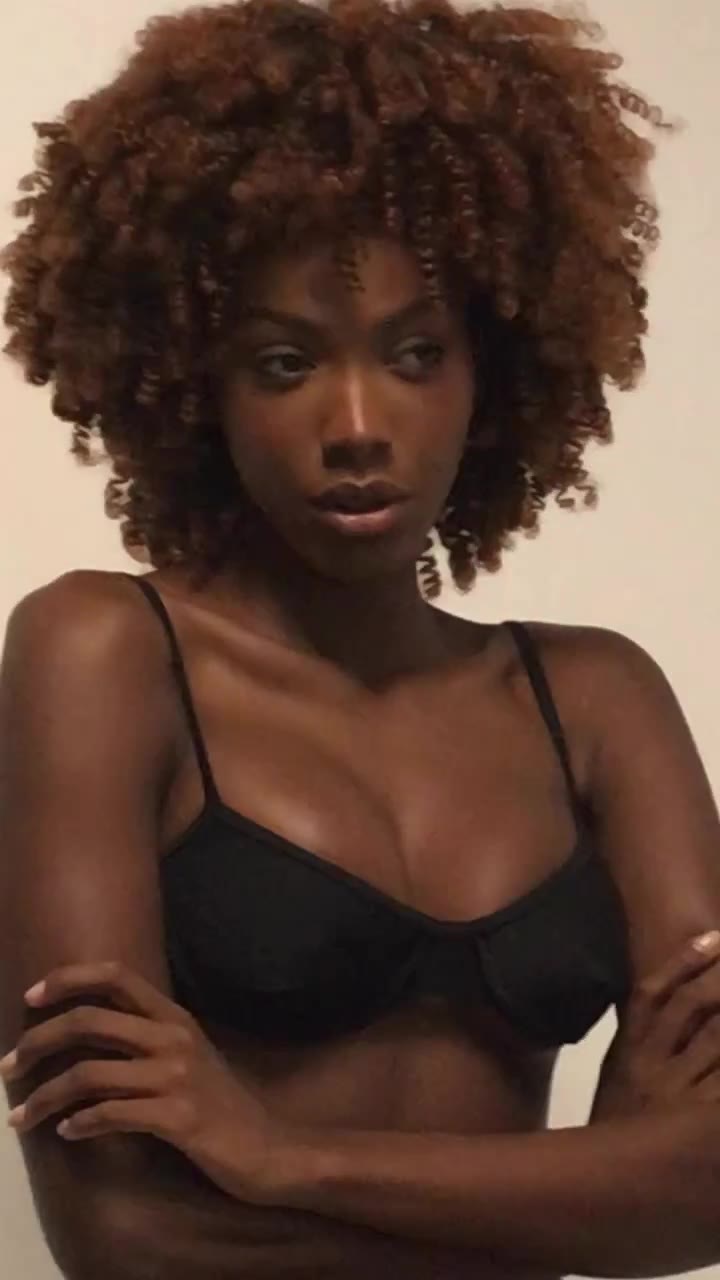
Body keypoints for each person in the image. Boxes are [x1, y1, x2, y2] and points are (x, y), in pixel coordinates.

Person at [1, 1, 720, 1277]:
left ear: (491, 372)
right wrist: (600, 1182)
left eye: (415, 353)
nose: (356, 425)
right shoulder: (105, 654)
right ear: (197, 386)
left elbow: (713, 1194)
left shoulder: (599, 700)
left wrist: (276, 1152)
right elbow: (124, 1232)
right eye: (284, 362)